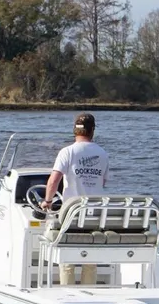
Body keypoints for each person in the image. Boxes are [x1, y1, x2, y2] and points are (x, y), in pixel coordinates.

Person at [41, 112, 109, 285]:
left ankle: (68, 292)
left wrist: (47, 201)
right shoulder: (102, 153)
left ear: (75, 131)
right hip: (95, 214)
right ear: (92, 130)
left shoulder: (67, 152)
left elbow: (53, 181)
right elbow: (103, 181)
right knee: (90, 261)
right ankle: (89, 293)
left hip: (72, 213)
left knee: (67, 260)